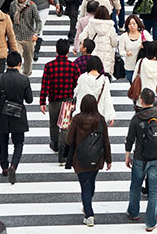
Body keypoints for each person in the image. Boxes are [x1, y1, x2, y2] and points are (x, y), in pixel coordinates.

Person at [125, 88, 157, 232]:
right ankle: (150, 222)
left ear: (141, 101)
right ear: (154, 100)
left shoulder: (136, 118)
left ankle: (134, 212)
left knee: (135, 185)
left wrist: (127, 155)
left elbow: (130, 139)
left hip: (140, 157)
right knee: (154, 190)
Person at [64, 93, 112, 227]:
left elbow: (69, 140)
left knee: (84, 185)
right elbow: (106, 141)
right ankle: (87, 204)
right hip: (96, 158)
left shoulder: (77, 119)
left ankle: (89, 214)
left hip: (80, 158)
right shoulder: (100, 120)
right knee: (91, 182)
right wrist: (109, 160)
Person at [0, 51, 32, 184]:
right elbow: (29, 99)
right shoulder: (24, 80)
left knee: (3, 141)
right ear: (19, 64)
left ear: (7, 63)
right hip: (18, 114)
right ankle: (13, 165)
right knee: (18, 143)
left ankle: (4, 166)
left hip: (3, 114)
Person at [40, 39, 81, 164]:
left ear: (56, 50)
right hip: (68, 100)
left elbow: (45, 85)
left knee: (53, 123)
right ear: (68, 51)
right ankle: (63, 151)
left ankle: (55, 143)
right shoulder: (73, 67)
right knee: (64, 126)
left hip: (53, 100)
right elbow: (77, 85)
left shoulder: (49, 66)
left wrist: (42, 101)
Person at [7, 0, 41, 76]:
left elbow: (38, 20)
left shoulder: (32, 5)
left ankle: (27, 75)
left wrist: (36, 33)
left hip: (29, 36)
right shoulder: (13, 5)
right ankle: (17, 75)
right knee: (17, 57)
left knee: (28, 59)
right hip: (16, 36)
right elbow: (10, 18)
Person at [72, 55, 114, 123]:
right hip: (99, 115)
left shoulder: (82, 78)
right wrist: (111, 115)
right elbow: (107, 99)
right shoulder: (104, 80)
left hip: (83, 115)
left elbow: (78, 96)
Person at [77, 7, 117, 74]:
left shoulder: (91, 25)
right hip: (107, 57)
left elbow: (81, 37)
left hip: (93, 56)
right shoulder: (111, 27)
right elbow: (114, 43)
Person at [119, 15, 152, 82]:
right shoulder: (124, 36)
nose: (132, 26)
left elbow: (152, 46)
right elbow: (121, 51)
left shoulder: (144, 34)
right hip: (130, 66)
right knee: (134, 87)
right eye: (130, 24)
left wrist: (144, 46)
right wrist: (126, 53)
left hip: (143, 66)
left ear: (138, 24)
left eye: (134, 23)